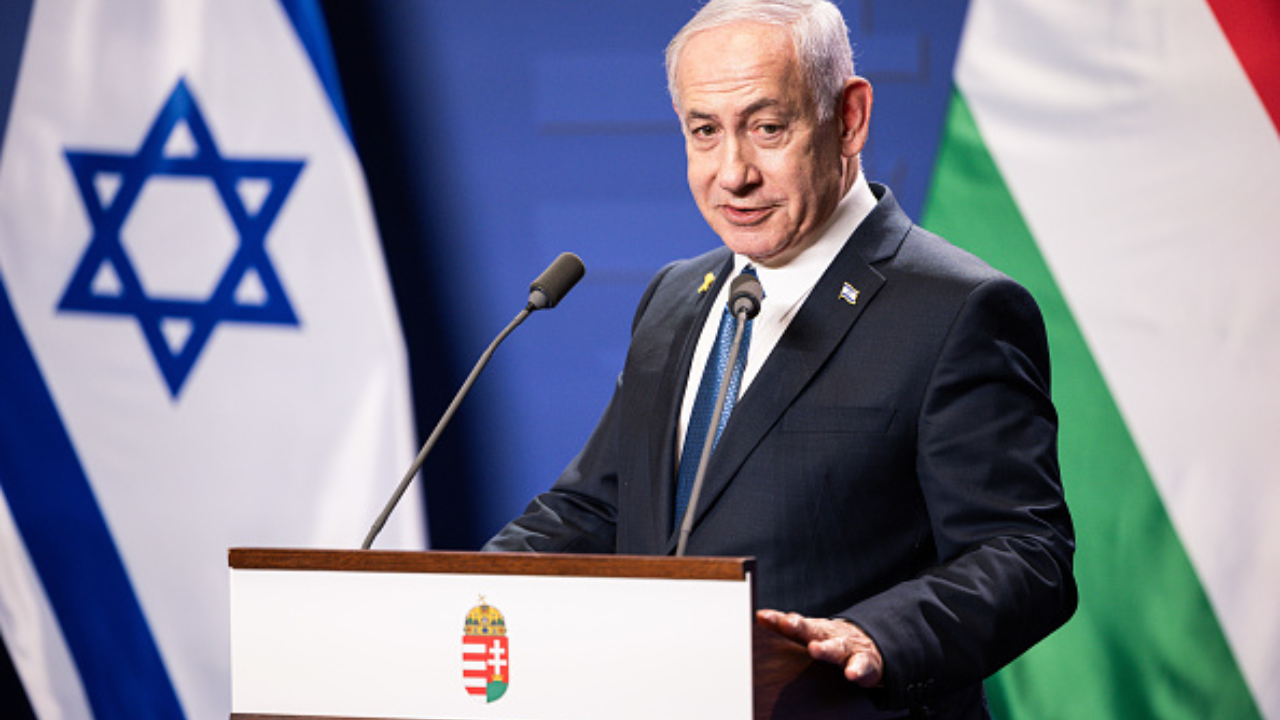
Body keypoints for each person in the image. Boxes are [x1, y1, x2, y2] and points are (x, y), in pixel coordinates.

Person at [483, 1, 1076, 717]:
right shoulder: (675, 297)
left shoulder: (958, 308)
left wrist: (876, 636)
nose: (733, 174)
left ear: (849, 118)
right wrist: (456, 595)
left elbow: (1025, 554)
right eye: (705, 131)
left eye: (767, 128)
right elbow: (598, 506)